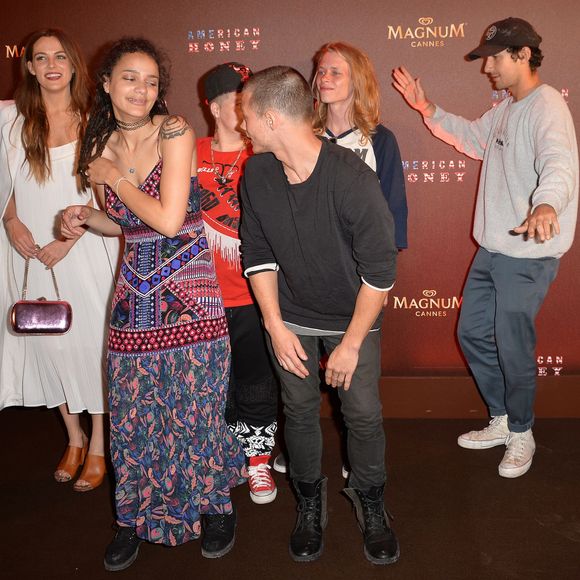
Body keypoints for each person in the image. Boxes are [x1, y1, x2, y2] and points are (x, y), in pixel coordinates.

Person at [62, 37, 245, 571]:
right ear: (105, 84)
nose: (141, 90)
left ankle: (214, 507)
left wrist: (113, 178)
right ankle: (132, 516)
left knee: (196, 404)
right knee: (134, 409)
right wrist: (84, 217)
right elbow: (126, 223)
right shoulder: (97, 144)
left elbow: (167, 219)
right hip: (134, 292)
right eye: (129, 78)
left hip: (190, 288)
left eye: (150, 80)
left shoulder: (175, 131)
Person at [393, 17, 578, 478]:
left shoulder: (547, 105)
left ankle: (522, 431)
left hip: (528, 253)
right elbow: (473, 138)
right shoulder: (506, 109)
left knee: (513, 346)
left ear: (521, 55)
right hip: (493, 249)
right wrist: (427, 108)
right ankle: (502, 418)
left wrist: (547, 204)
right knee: (473, 333)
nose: (486, 68)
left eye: (494, 57)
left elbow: (559, 162)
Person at [239, 66, 399, 565]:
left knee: (363, 415)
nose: (241, 126)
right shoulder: (257, 172)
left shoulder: (353, 178)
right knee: (301, 412)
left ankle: (371, 500)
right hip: (290, 319)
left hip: (352, 318)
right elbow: (258, 252)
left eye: (246, 116)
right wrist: (273, 324)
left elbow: (380, 273)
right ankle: (310, 503)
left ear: (269, 118)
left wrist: (350, 344)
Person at [0, 29, 119, 492]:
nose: (51, 64)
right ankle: (73, 436)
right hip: (28, 251)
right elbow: (4, 189)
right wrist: (11, 223)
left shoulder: (96, 120)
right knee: (47, 341)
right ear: (28, 67)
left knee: (90, 344)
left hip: (83, 248)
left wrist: (68, 240)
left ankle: (98, 445)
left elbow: (105, 199)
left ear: (73, 64)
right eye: (40, 57)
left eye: (60, 56)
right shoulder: (12, 121)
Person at [197, 62, 279, 504]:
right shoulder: (186, 153)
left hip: (253, 296)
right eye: (238, 100)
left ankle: (259, 461)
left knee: (255, 379)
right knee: (210, 383)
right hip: (200, 299)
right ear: (213, 106)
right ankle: (224, 456)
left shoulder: (264, 156)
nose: (249, 108)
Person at [313, 41, 407, 250]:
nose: (324, 78)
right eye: (321, 72)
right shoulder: (305, 137)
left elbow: (393, 207)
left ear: (357, 81)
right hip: (312, 257)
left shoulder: (380, 139)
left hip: (360, 255)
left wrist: (384, 259)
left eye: (335, 73)